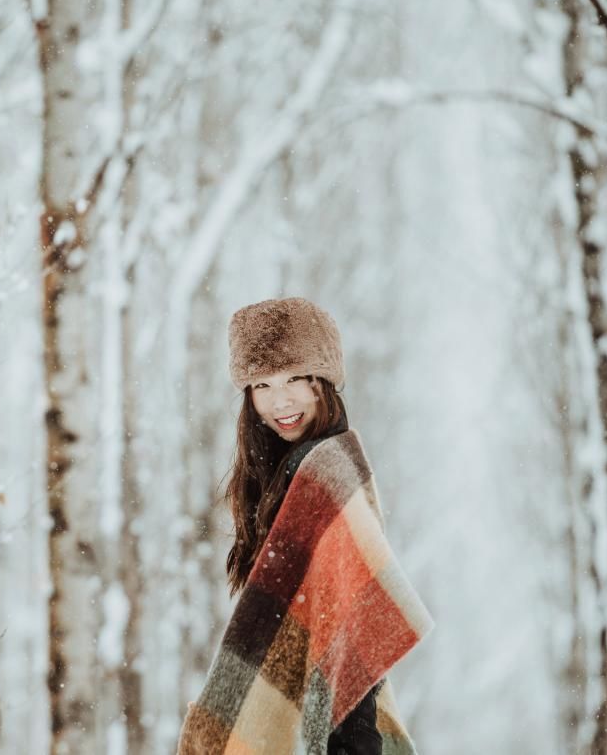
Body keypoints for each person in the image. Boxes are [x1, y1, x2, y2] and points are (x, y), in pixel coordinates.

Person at [177, 297, 431, 755]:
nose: (281, 400)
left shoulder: (325, 476)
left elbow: (344, 651)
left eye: (296, 378)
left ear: (324, 383)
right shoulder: (293, 473)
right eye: (263, 384)